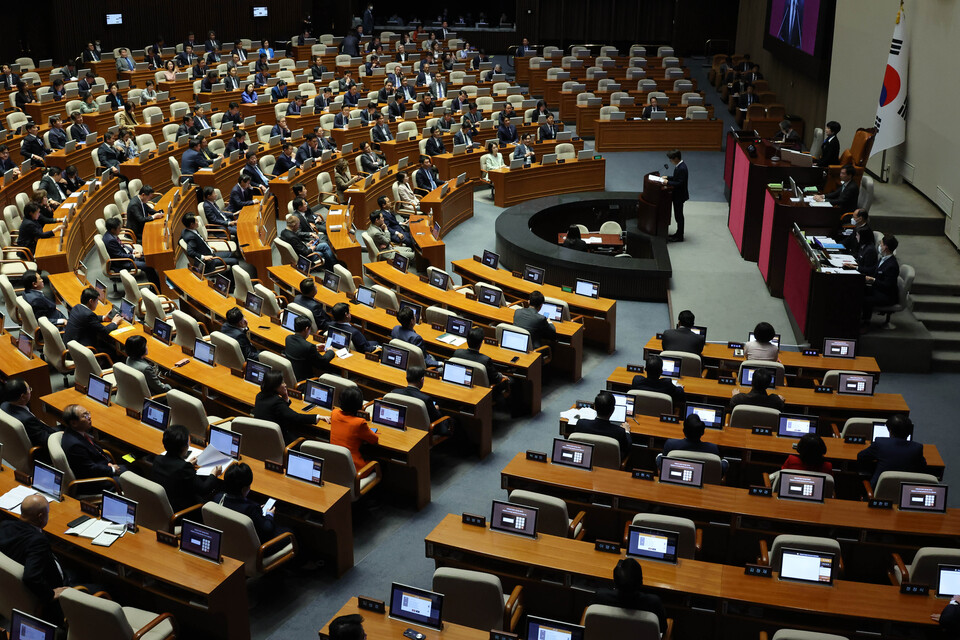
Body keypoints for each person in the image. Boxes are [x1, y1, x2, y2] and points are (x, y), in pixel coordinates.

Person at [0, 494, 70, 624]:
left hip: (9, 593)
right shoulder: (37, 541)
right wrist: (50, 595)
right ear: (41, 516)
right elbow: (31, 577)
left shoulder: (5, 525)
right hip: (52, 596)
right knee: (94, 585)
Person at [151, 424, 221, 512]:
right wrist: (214, 474)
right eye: (188, 442)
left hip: (164, 505)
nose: (189, 444)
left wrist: (188, 464)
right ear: (184, 447)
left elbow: (174, 470)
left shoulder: (158, 459)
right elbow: (204, 489)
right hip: (182, 511)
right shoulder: (183, 468)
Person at [213, 462, 287, 545]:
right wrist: (269, 515)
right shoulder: (250, 509)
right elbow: (267, 530)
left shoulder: (217, 498)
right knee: (291, 532)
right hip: (253, 549)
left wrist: (257, 510)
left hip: (224, 543)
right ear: (244, 488)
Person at [593, 558, 668, 636]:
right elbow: (663, 629)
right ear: (641, 582)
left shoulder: (601, 597)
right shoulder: (654, 603)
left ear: (615, 582)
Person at [61, 404, 126, 483]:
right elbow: (89, 470)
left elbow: (95, 450)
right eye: (85, 416)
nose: (89, 417)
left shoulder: (74, 432)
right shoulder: (75, 446)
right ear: (74, 423)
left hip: (102, 466)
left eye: (88, 413)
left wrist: (109, 463)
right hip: (96, 481)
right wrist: (112, 469)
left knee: (134, 468)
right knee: (132, 479)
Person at [857, 414, 926, 487]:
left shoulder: (880, 443)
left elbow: (861, 456)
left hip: (879, 490)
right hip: (905, 491)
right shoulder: (917, 448)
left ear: (890, 431)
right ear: (909, 432)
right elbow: (922, 466)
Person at [253, 371, 322, 443]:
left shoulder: (259, 396)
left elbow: (281, 411)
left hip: (263, 437)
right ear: (275, 386)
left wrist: (285, 396)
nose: (285, 385)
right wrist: (318, 417)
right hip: (279, 440)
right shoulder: (276, 402)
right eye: (282, 383)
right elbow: (296, 417)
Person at [325, 386, 379, 470]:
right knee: (380, 463)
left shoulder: (334, 414)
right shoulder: (359, 423)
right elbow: (374, 440)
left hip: (336, 464)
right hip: (355, 469)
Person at [568, 391, 632, 457]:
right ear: (613, 410)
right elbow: (627, 447)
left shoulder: (581, 424)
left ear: (595, 408)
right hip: (609, 464)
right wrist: (627, 431)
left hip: (585, 459)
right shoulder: (619, 432)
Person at [103, 217, 161, 288]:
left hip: (126, 257)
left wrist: (133, 251)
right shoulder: (110, 240)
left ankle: (156, 284)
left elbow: (122, 245)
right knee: (148, 266)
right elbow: (119, 255)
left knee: (147, 258)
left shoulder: (111, 235)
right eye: (118, 228)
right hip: (122, 262)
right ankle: (156, 288)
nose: (120, 229)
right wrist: (133, 256)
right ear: (112, 230)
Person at [1, 378, 57, 446]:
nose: (30, 391)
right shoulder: (27, 420)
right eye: (29, 389)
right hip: (47, 443)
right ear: (23, 397)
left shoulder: (4, 405)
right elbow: (45, 441)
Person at [862, 234, 900, 321]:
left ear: (885, 247)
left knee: (866, 300)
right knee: (859, 291)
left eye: (881, 244)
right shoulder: (883, 258)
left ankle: (865, 324)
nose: (880, 246)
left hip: (887, 296)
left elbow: (888, 285)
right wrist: (857, 268)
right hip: (879, 289)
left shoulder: (892, 265)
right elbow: (872, 270)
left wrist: (873, 280)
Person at [285, 315, 335, 381]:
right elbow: (323, 361)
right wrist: (330, 351)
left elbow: (300, 349)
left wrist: (315, 347)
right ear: (306, 329)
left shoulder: (288, 338)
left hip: (293, 375)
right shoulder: (308, 347)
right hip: (304, 380)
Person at [664, 149, 688, 242]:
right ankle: (678, 233)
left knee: (679, 216)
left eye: (671, 159)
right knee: (678, 215)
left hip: (679, 196)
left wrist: (668, 182)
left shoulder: (682, 168)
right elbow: (676, 178)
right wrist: (668, 177)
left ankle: (679, 236)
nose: (670, 161)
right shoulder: (679, 166)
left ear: (676, 158)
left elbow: (679, 183)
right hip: (677, 195)